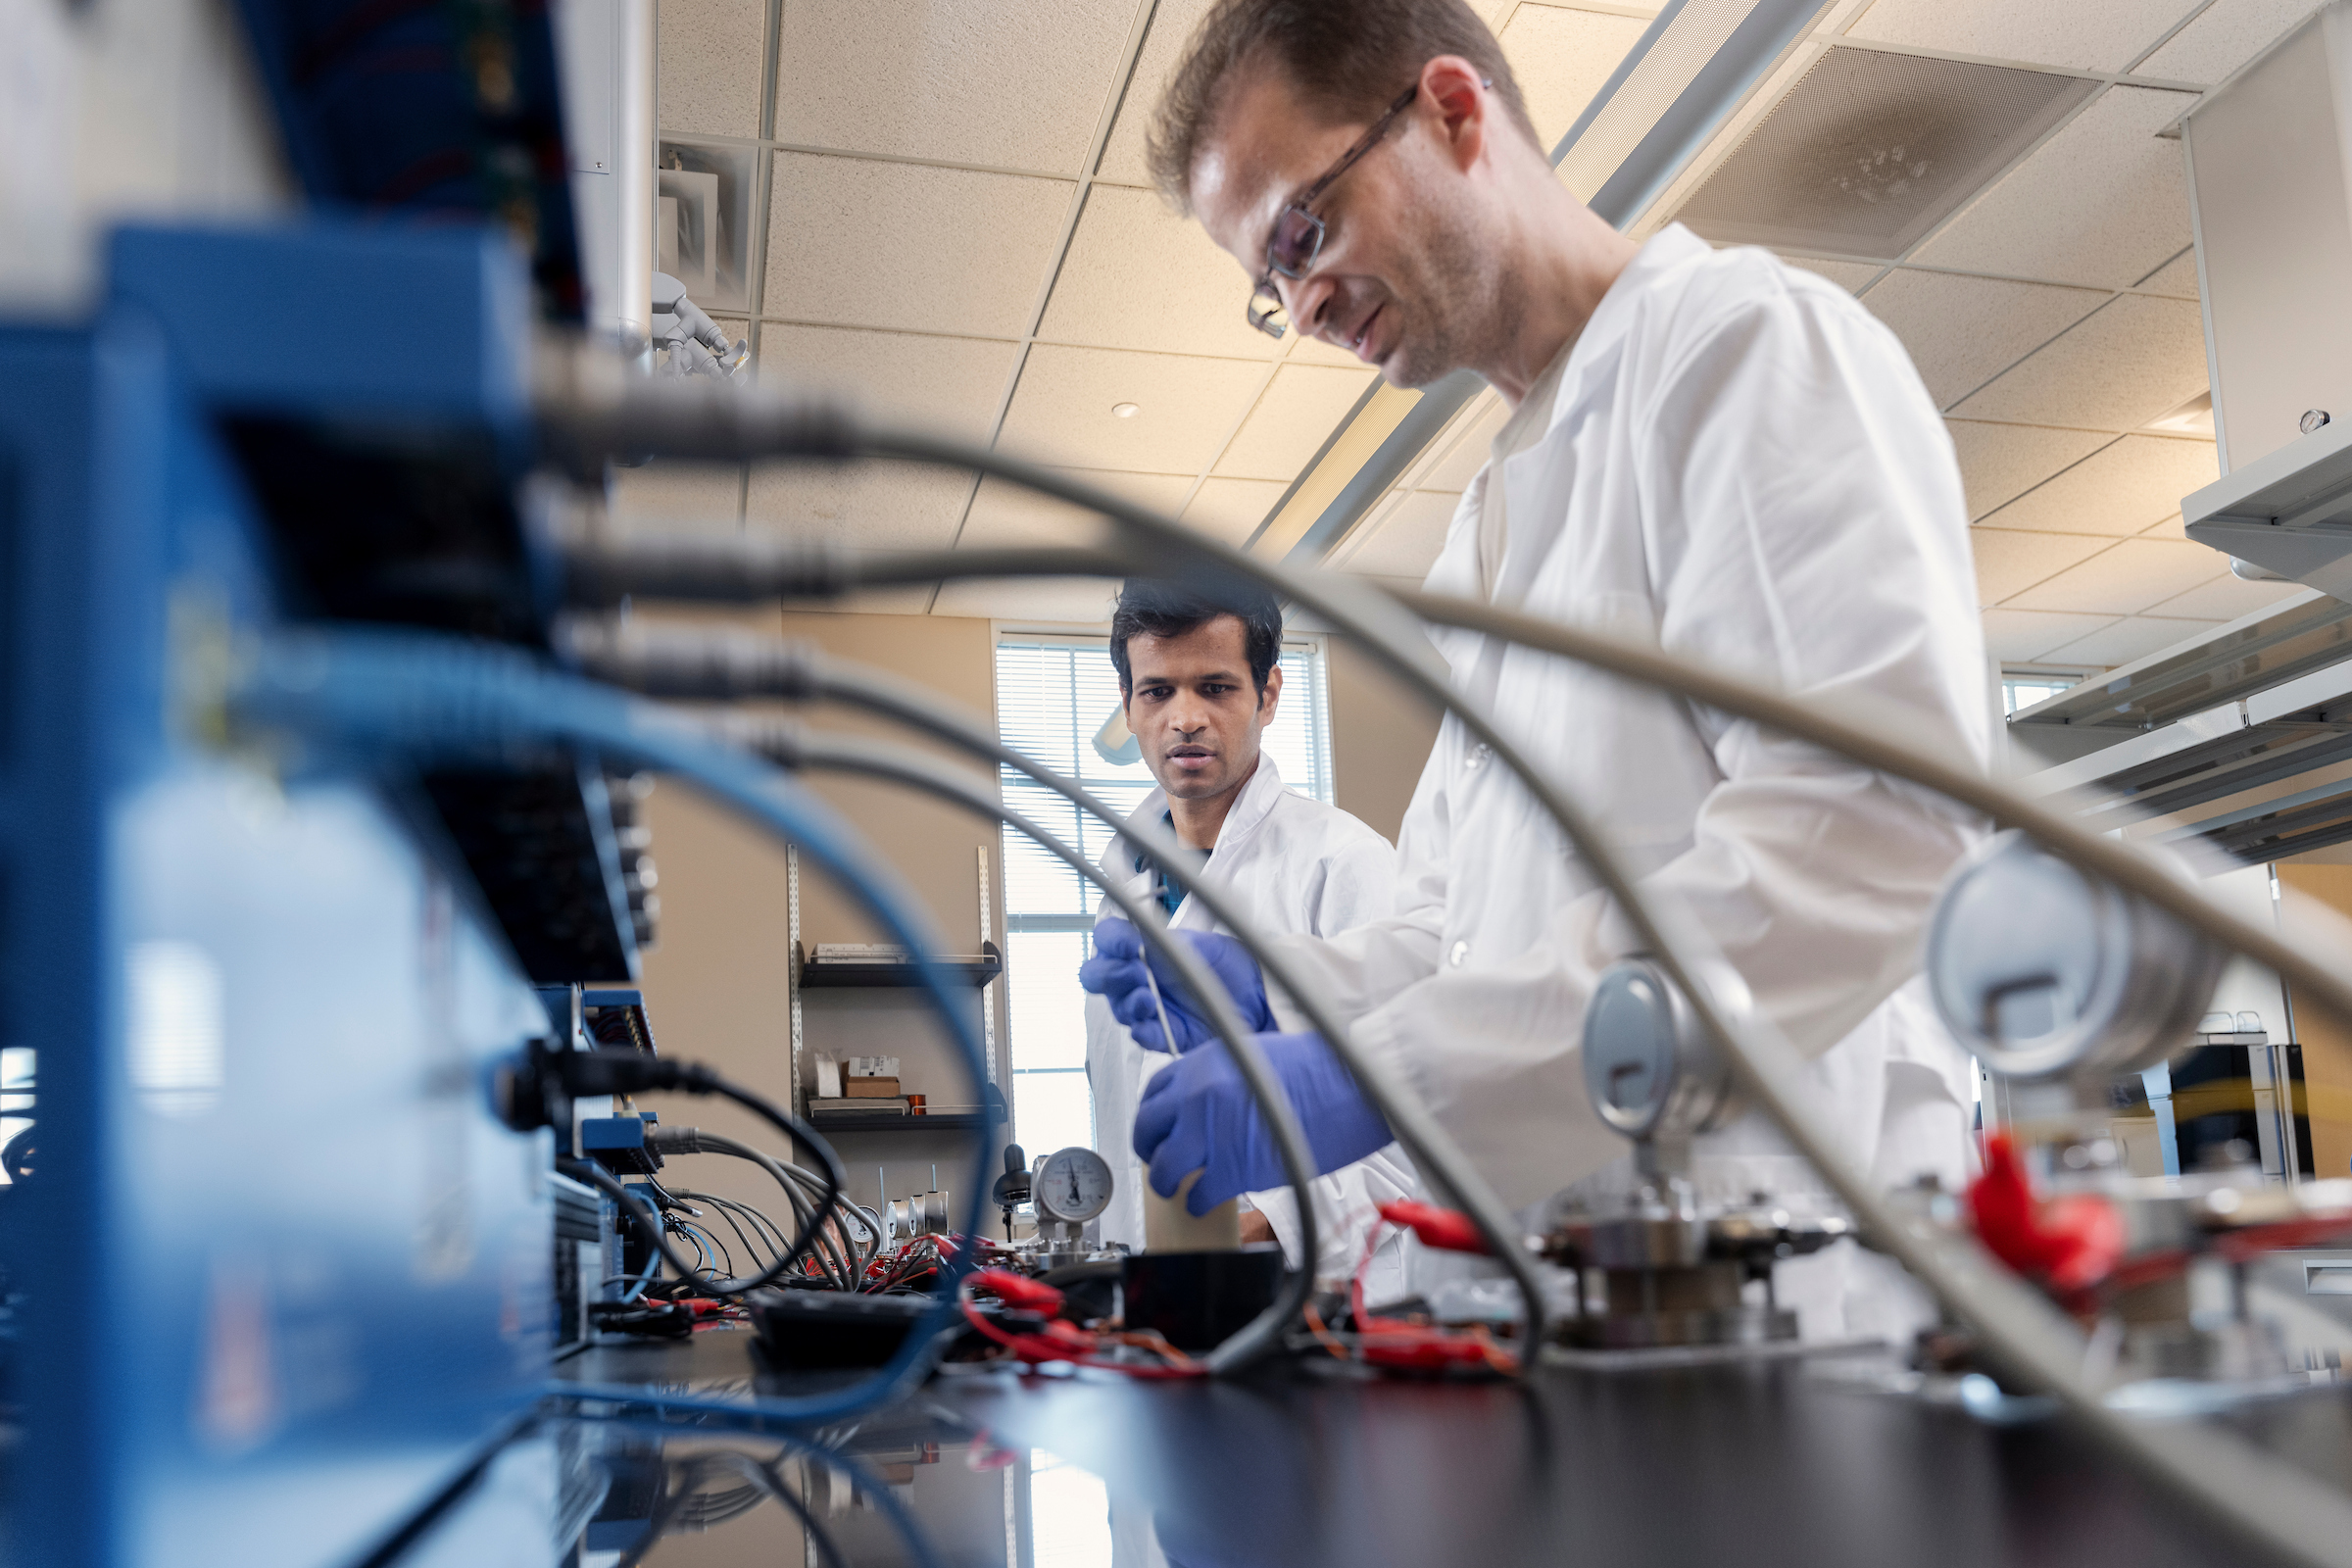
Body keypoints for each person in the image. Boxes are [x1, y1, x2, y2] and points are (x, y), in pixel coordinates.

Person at [1083, 0, 1988, 1338]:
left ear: (1454, 110)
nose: (1306, 300)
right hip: (1567, 1305)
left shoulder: (1739, 354)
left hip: (1787, 1295)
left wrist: (1374, 1082)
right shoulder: (1496, 520)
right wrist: (1270, 988)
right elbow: (1453, 929)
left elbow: (1861, 850)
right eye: (1271, 283)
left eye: (1304, 230)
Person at [1078, 578, 1414, 1295]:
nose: (1186, 719)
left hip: (1325, 1301)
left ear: (1267, 696)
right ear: (1128, 704)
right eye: (1157, 692)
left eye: (1217, 687)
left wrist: (1254, 1220)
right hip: (1157, 1296)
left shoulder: (1345, 864)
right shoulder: (1122, 881)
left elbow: (1422, 1126)